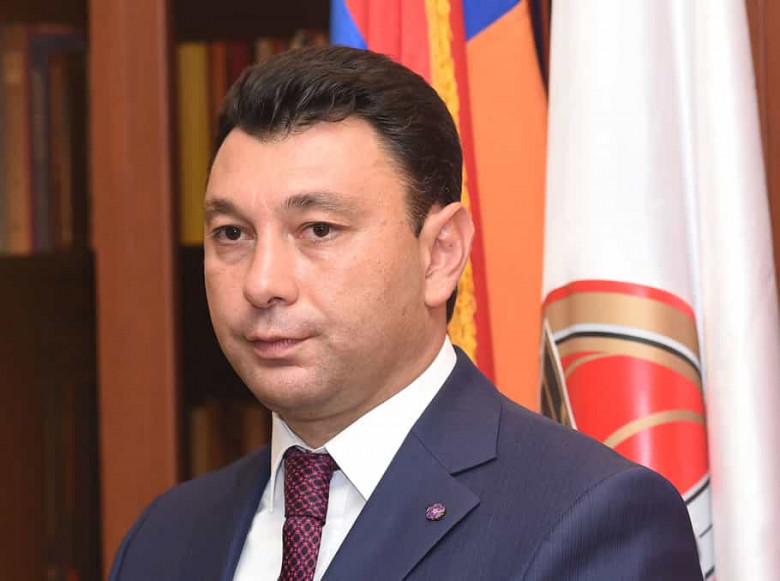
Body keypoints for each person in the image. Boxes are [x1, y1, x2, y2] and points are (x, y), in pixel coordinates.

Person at [109, 46, 702, 580]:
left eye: (318, 229)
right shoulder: (167, 536)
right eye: (232, 233)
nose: (263, 284)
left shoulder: (591, 520)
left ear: (440, 254)